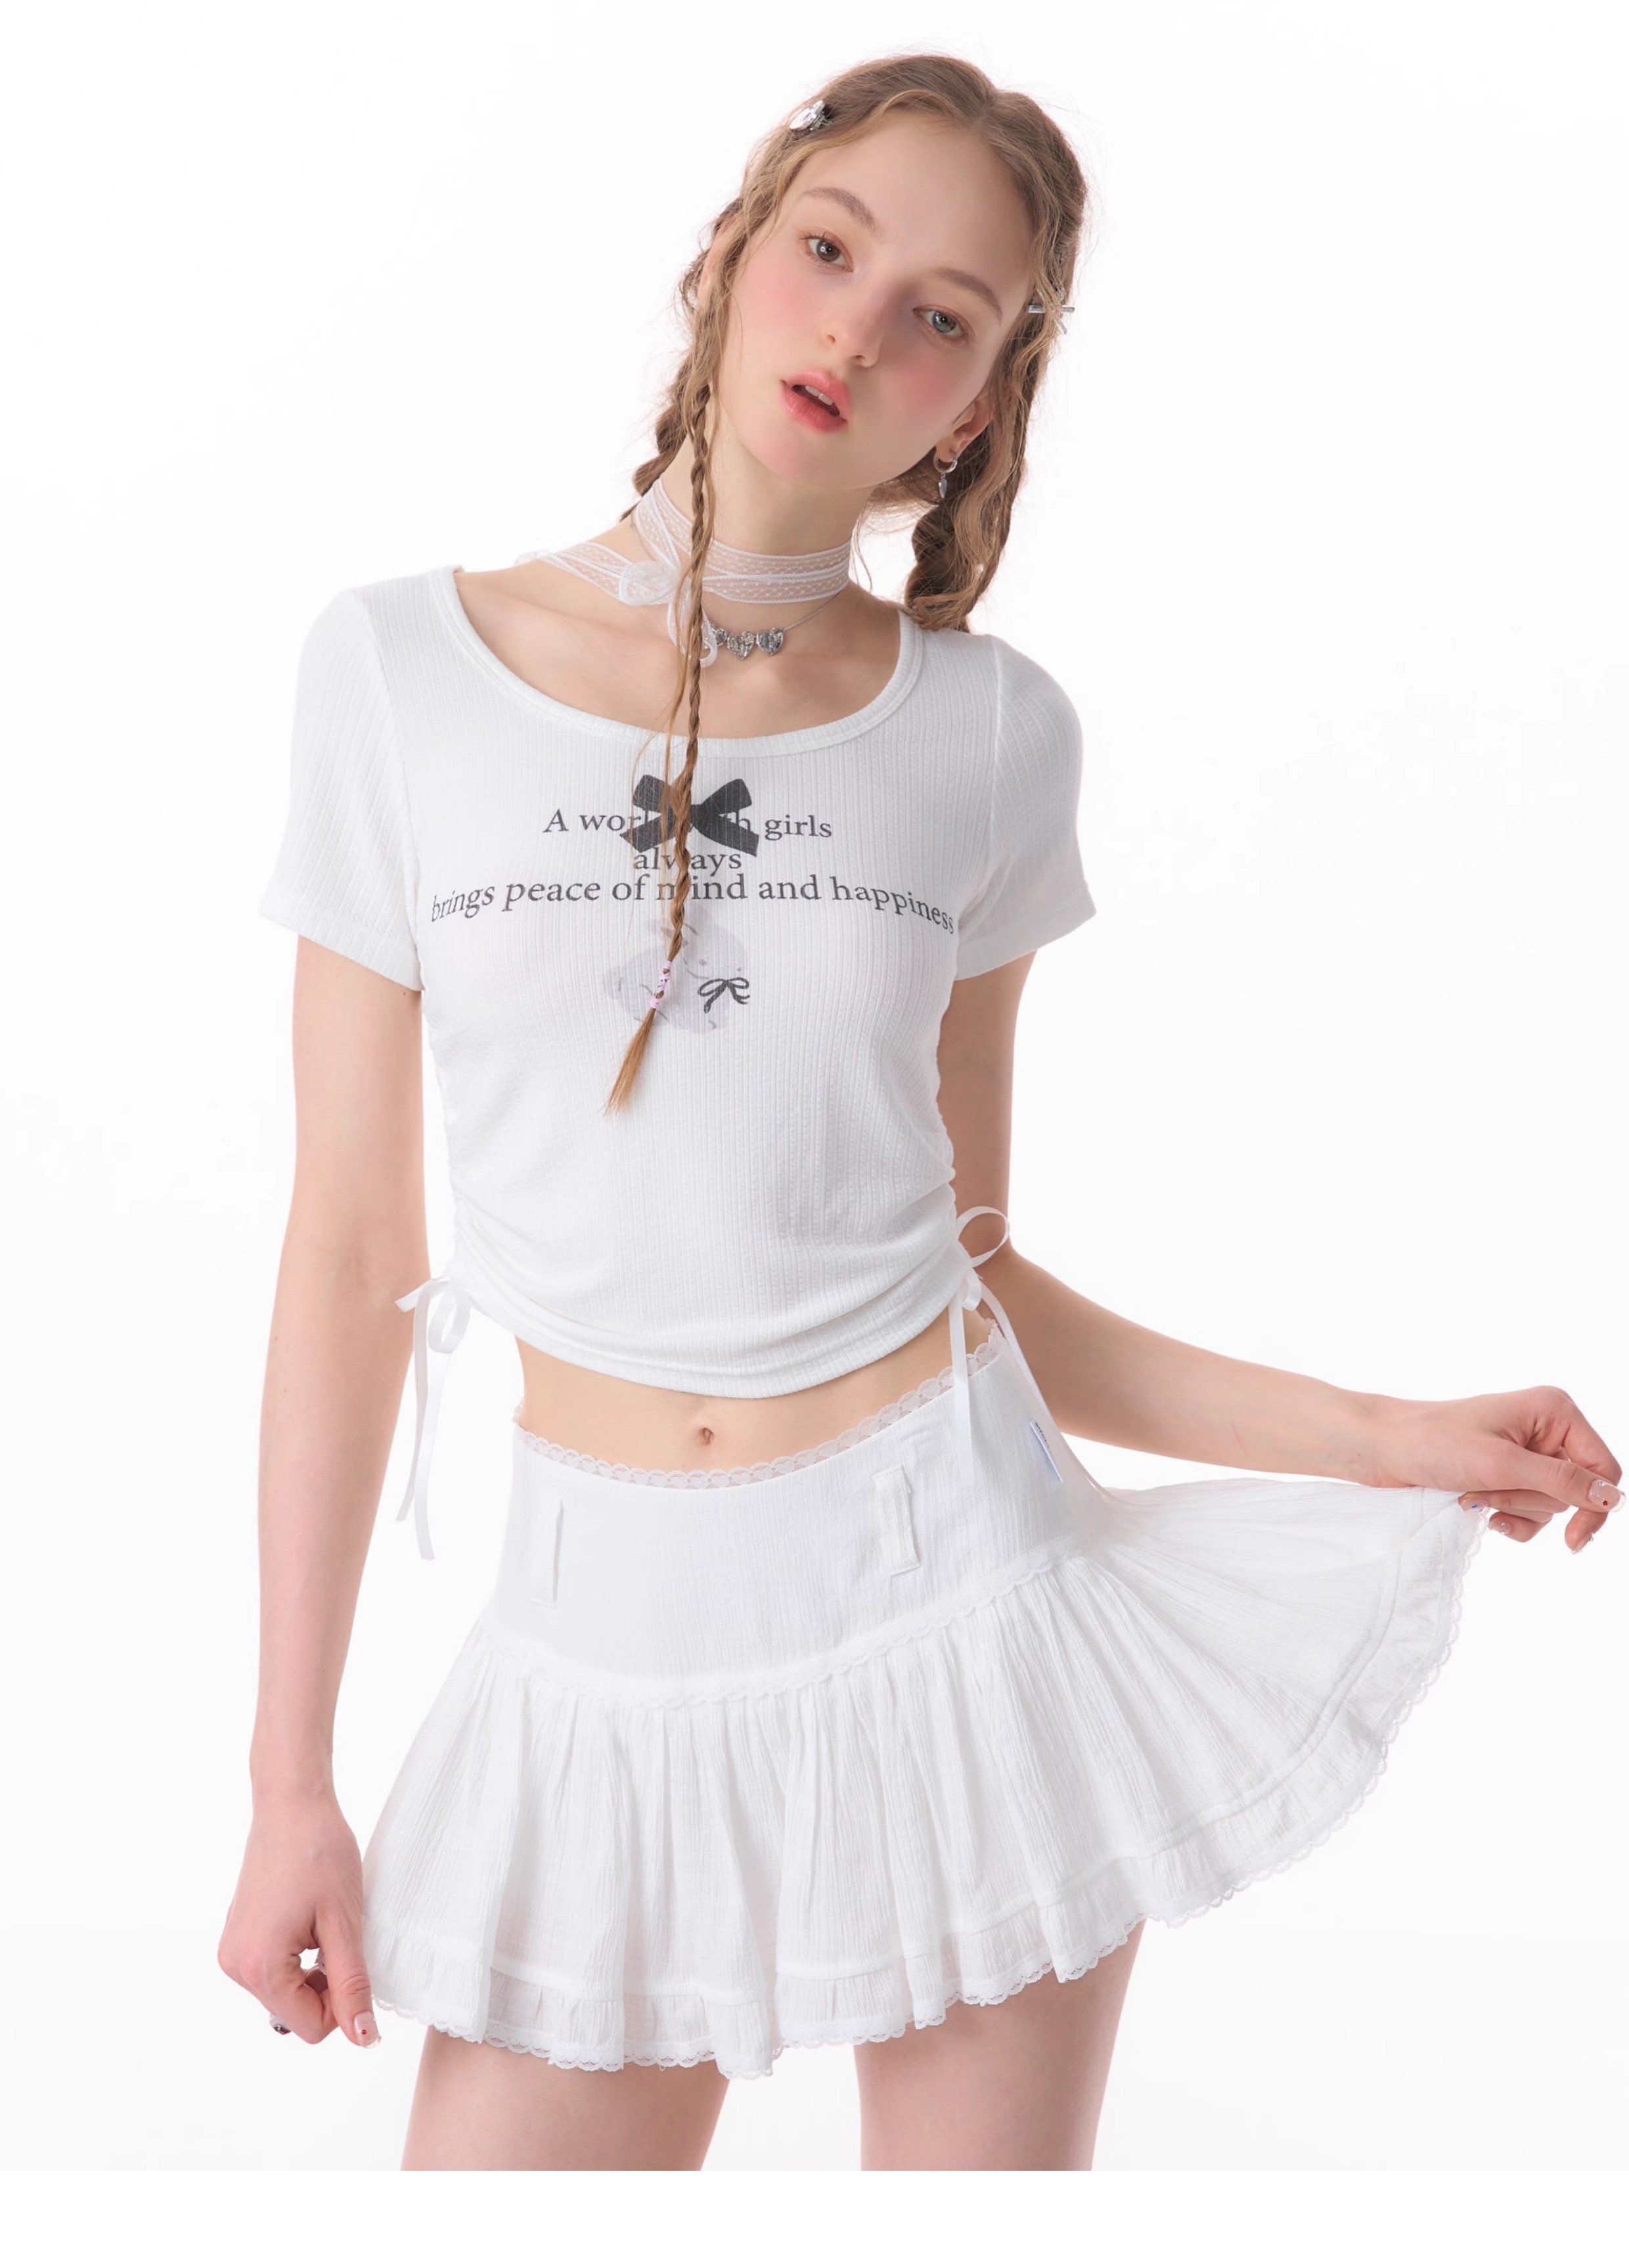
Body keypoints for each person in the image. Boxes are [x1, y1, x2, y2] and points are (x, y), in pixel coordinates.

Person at [219, 53, 1620, 2173]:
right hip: (598, 1654)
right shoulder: (402, 673)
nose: (861, 330)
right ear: (732, 252)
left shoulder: (985, 734)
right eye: (831, 250)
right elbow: (347, 1259)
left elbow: (967, 1269)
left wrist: (1382, 1431)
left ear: (973, 407)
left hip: (968, 1623)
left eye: (941, 315)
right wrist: (288, 1780)